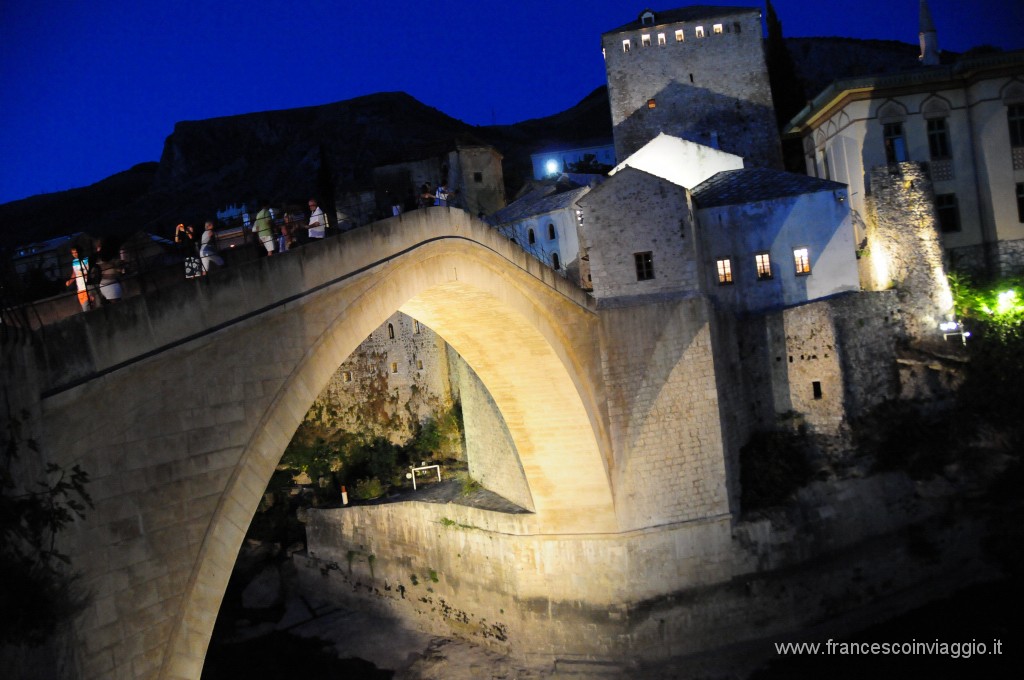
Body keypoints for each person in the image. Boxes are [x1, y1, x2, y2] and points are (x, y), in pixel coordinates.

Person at [65, 246, 94, 312]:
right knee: (86, 309)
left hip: (88, 287)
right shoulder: (74, 261)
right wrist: (70, 281)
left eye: (76, 252)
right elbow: (74, 273)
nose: (74, 254)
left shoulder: (86, 259)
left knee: (89, 308)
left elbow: (89, 271)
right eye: (73, 253)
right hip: (80, 289)